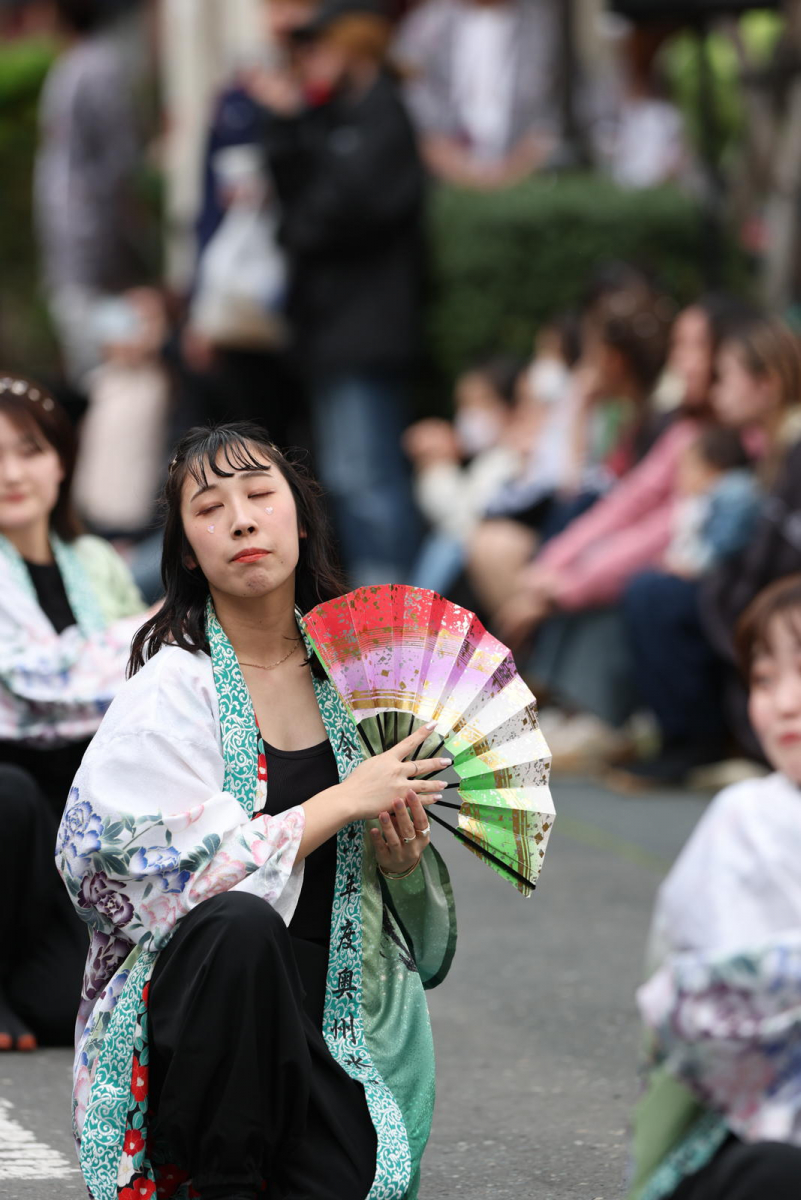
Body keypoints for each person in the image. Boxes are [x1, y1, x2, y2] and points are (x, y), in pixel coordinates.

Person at [57, 422, 456, 1200]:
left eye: (260, 494)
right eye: (209, 508)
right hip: (199, 1031)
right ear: (185, 550)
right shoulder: (173, 687)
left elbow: (407, 925)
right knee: (238, 928)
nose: (240, 519)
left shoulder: (364, 683)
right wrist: (339, 802)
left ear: (299, 519)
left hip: (327, 1025)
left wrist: (398, 861)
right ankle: (218, 1175)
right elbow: (113, 864)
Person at [627, 573, 801, 1200]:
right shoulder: (746, 818)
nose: (782, 702)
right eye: (762, 680)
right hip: (744, 1130)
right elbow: (713, 1005)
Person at [0, 374, 147, 1051]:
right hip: (11, 807)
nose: (11, 472)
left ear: (61, 459)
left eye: (28, 450)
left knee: (70, 1010)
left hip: (78, 817)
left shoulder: (95, 562)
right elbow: (33, 678)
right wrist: (146, 631)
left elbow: (148, 684)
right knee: (11, 793)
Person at [260, 0, 426, 585]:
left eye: (320, 43)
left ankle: (393, 620)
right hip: (330, 330)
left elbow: (338, 211)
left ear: (353, 41)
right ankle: (376, 610)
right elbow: (294, 197)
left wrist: (301, 221)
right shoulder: (333, 117)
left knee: (368, 477)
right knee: (347, 474)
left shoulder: (383, 115)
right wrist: (286, 123)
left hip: (367, 330)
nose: (309, 58)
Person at [620, 315, 801, 786]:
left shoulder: (792, 451)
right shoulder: (766, 448)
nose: (715, 391)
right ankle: (688, 740)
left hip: (775, 599)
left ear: (768, 385)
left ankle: (695, 743)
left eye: (725, 377)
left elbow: (771, 562)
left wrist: (710, 584)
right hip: (753, 592)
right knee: (652, 589)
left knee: (655, 596)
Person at [395, 0, 561, 190]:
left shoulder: (542, 22)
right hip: (440, 178)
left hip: (530, 177)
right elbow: (408, 91)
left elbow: (559, 105)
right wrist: (445, 157)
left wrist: (520, 164)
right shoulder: (429, 20)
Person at [404, 355, 523, 595]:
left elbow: (461, 522)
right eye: (463, 405)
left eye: (480, 403)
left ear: (511, 406)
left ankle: (412, 625)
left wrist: (438, 465)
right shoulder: (486, 460)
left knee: (447, 544)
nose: (469, 415)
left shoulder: (509, 459)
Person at [662, 426, 761, 580]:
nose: (680, 475)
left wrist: (688, 565)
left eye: (688, 468)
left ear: (711, 469)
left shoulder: (734, 494)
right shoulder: (700, 499)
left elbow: (723, 546)